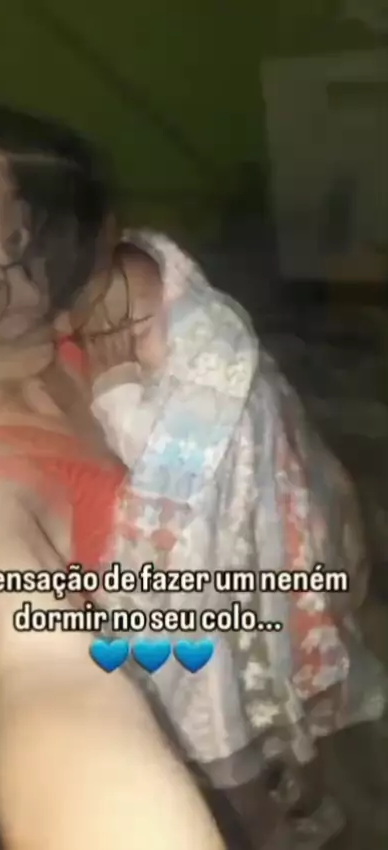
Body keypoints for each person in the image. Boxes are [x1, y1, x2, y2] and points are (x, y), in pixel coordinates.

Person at [0, 103, 227, 850]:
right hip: (172, 711)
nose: (25, 289)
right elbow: (43, 672)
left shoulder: (67, 340)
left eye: (17, 238)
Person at [63, 228, 388, 849]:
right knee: (276, 694)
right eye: (102, 336)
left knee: (228, 707)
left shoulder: (208, 372)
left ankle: (282, 821)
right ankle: (304, 795)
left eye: (132, 329)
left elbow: (167, 463)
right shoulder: (191, 317)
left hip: (233, 580)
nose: (117, 346)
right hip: (259, 571)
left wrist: (114, 389)